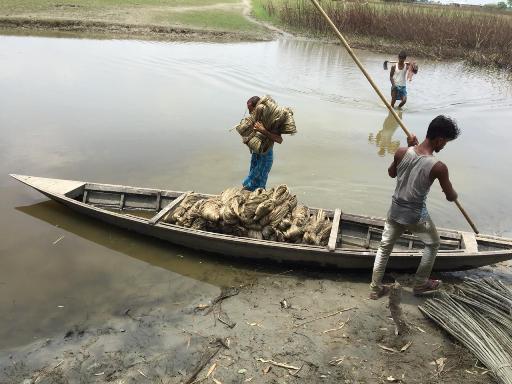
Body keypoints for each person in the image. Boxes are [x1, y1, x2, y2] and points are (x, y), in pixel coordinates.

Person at [369, 115, 460, 299]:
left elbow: (391, 173)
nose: (444, 146)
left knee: (384, 248)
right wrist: (455, 194)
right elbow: (450, 197)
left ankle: (374, 288)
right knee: (433, 243)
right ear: (439, 139)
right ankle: (420, 283)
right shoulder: (439, 167)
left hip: (394, 211)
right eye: (445, 143)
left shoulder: (402, 151)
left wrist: (410, 148)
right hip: (416, 216)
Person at [242, 96, 283, 191]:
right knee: (249, 183)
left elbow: (279, 140)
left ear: (259, 108)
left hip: (265, 157)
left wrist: (263, 130)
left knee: (258, 187)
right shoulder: (256, 119)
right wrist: (248, 140)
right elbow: (254, 138)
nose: (250, 113)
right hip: (256, 155)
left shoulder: (272, 121)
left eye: (251, 110)